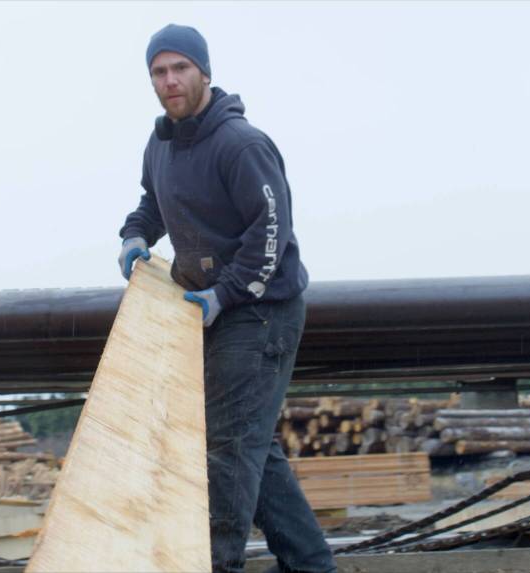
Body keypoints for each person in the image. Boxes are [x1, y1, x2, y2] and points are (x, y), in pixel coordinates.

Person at [116, 23, 336, 573]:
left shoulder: (241, 144)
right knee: (250, 444)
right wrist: (135, 235)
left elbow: (271, 233)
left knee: (226, 450)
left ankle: (216, 564)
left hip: (261, 312)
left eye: (180, 68)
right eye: (159, 72)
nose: (170, 80)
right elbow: (153, 203)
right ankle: (311, 566)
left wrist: (226, 292)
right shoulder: (161, 144)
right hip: (214, 311)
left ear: (205, 72)